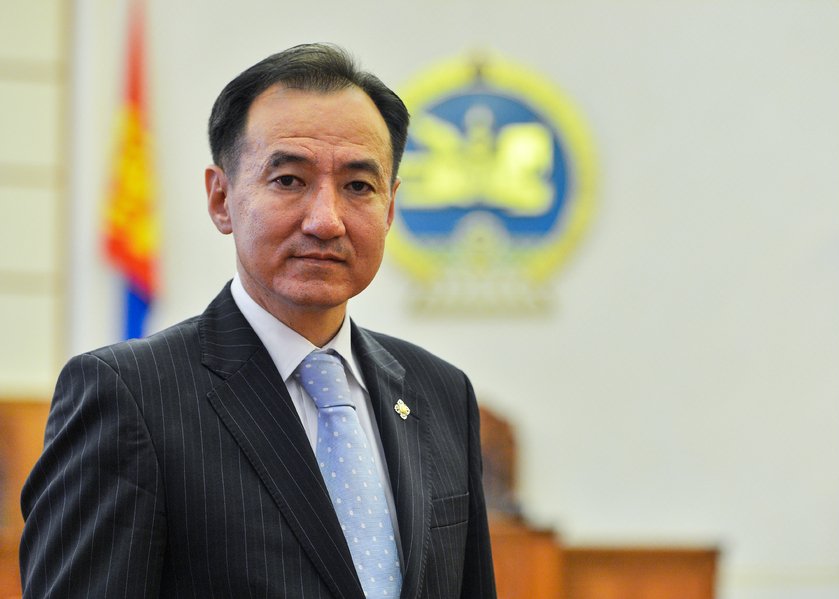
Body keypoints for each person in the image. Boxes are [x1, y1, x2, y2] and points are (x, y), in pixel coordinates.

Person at [20, 43, 497, 599]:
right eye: (289, 180)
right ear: (221, 198)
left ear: (389, 208)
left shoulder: (440, 393)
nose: (326, 221)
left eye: (358, 187)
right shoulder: (129, 396)